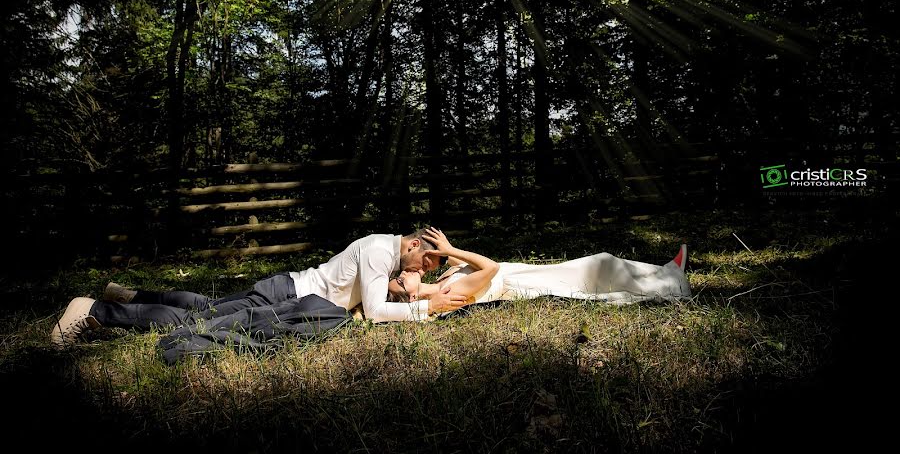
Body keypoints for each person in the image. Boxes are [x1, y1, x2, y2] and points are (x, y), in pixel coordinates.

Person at [49, 229, 468, 348]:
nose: (427, 270)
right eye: (429, 261)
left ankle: (133, 297)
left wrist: (411, 290)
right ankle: (93, 312)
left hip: (288, 290)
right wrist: (424, 310)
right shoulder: (380, 251)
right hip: (285, 296)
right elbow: (375, 313)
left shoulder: (384, 254)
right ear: (414, 245)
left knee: (205, 307)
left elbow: (370, 293)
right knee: (199, 319)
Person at [385, 227, 691, 310]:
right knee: (599, 268)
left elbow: (459, 263)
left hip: (519, 272)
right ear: (412, 299)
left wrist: (446, 254)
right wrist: (453, 252)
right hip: (522, 282)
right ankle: (672, 283)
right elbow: (488, 268)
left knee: (600, 266)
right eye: (400, 283)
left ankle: (663, 273)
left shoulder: (442, 280)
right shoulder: (445, 292)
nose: (401, 275)